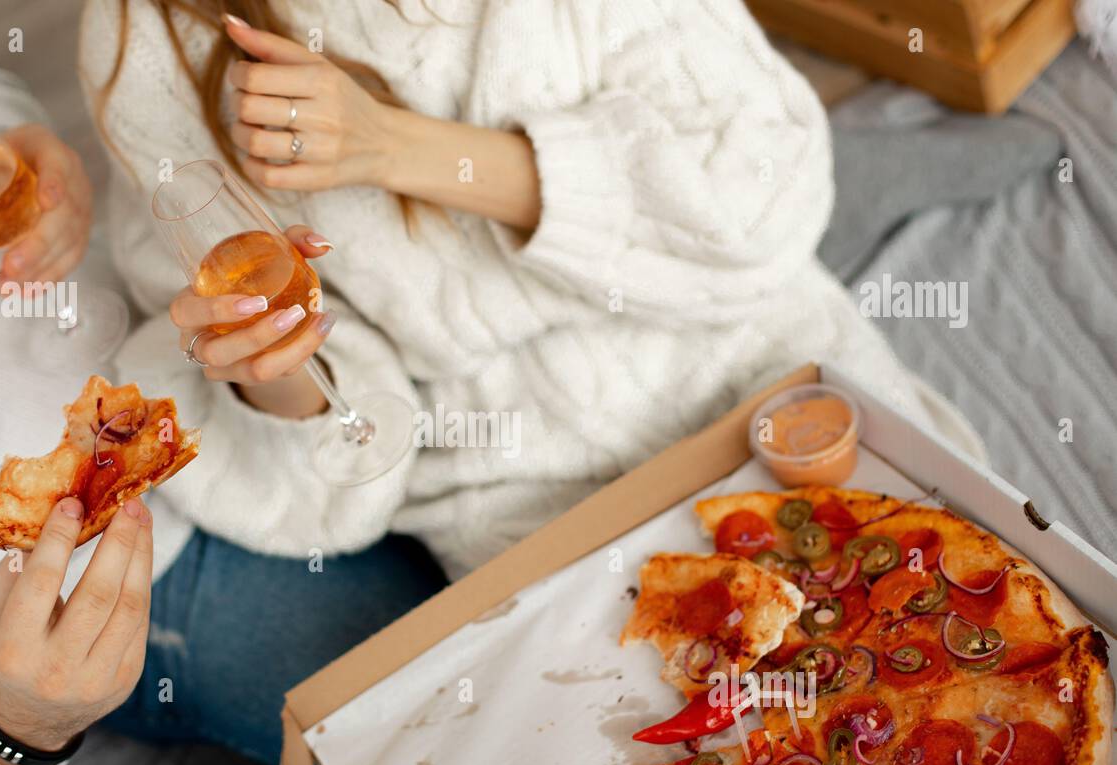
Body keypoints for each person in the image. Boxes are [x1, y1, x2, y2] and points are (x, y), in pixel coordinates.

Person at [0, 20, 443, 765]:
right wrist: (22, 724)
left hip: (191, 354)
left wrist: (33, 150)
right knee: (462, 719)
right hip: (155, 580)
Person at [80, 0, 981, 586]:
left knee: (973, 649)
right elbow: (340, 456)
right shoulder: (148, 39)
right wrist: (276, 376)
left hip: (764, 378)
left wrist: (394, 146)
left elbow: (764, 193)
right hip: (520, 498)